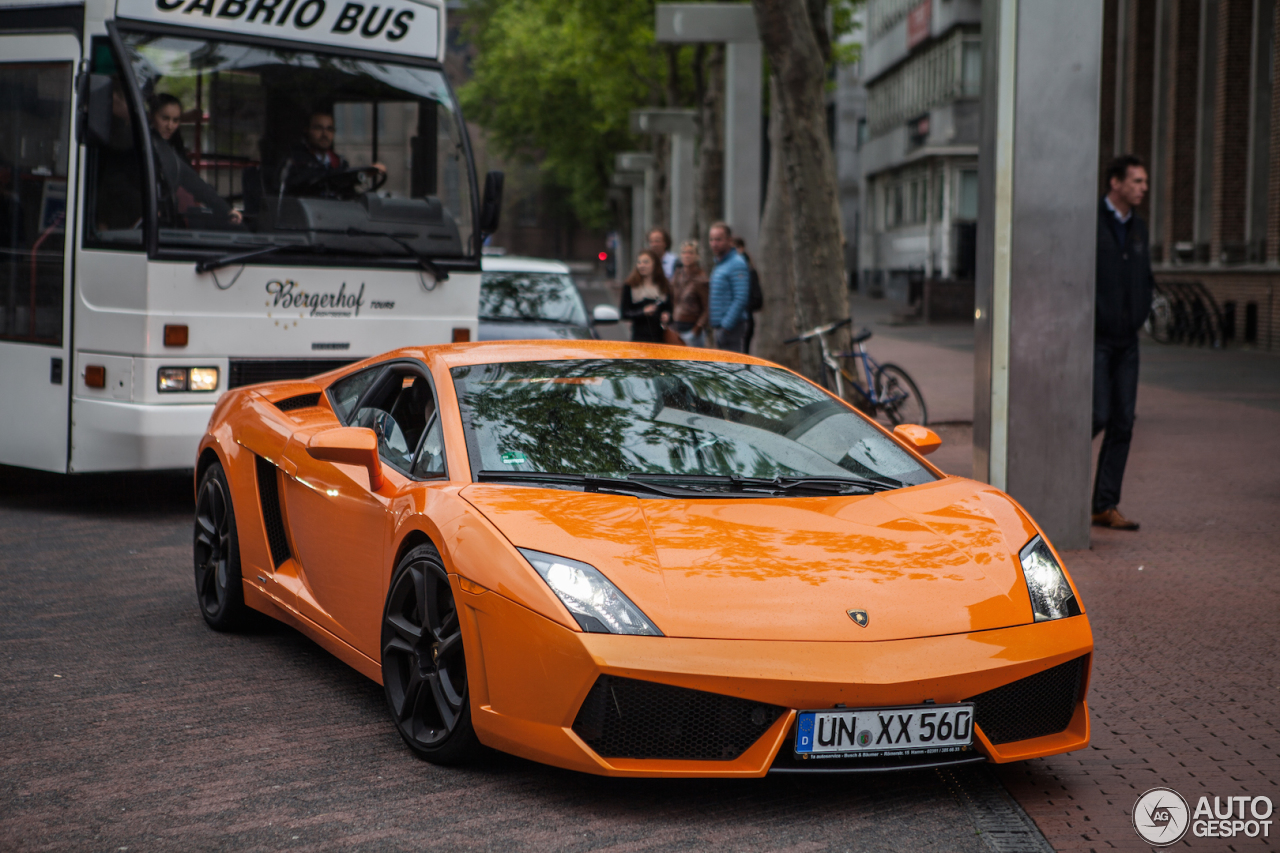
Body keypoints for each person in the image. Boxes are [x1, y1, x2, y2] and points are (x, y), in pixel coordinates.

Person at [1092, 154, 1154, 531]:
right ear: (1115, 183)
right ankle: (1055, 489)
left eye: (1144, 182)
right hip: (1097, 338)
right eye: (1137, 181)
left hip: (1127, 340)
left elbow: (1143, 276)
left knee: (1123, 423)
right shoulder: (1092, 224)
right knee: (1096, 415)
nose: (1143, 188)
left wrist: (1140, 312)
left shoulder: (1139, 228)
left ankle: (1104, 505)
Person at [148, 94, 242, 227]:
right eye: (165, 118)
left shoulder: (169, 149)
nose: (170, 126)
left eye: (175, 120)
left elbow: (194, 182)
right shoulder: (146, 146)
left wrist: (227, 210)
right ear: (152, 116)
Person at [280, 110, 384, 197]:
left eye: (329, 129)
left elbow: (347, 193)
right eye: (318, 128)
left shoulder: (339, 163)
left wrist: (363, 173)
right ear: (307, 130)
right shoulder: (295, 161)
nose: (325, 134)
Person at [707, 222, 750, 352]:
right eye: (711, 239)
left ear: (729, 240)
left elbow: (741, 298)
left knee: (731, 368)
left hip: (732, 328)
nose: (714, 243)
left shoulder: (736, 263)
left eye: (719, 239)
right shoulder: (720, 264)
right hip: (721, 326)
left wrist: (726, 327)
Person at [620, 249, 671, 343]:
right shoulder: (630, 285)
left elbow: (670, 308)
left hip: (660, 338)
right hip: (639, 338)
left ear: (655, 264)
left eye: (646, 262)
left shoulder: (664, 285)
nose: (642, 265)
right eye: (639, 262)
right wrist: (643, 311)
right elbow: (624, 313)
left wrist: (667, 315)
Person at [668, 241, 710, 347]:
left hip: (691, 326)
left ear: (697, 256)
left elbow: (707, 307)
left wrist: (697, 328)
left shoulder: (701, 279)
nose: (687, 256)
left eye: (691, 253)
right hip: (676, 326)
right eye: (684, 252)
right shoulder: (678, 275)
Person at [733, 236, 764, 355]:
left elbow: (758, 300)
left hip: (744, 322)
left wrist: (740, 306)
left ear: (741, 249)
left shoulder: (750, 272)